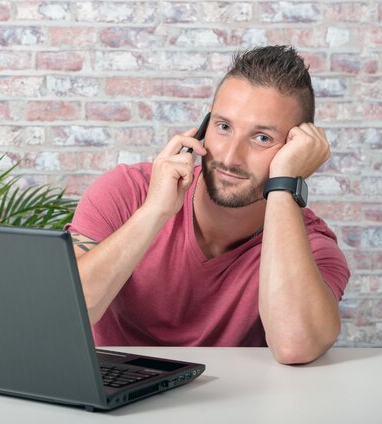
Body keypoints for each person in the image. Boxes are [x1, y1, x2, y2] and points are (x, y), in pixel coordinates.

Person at [65, 45, 350, 365]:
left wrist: (284, 185)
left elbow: (295, 346)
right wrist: (155, 212)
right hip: (113, 402)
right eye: (224, 127)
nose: (229, 158)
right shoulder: (126, 192)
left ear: (295, 151)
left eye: (262, 138)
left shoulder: (312, 247)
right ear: (203, 128)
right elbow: (65, 314)